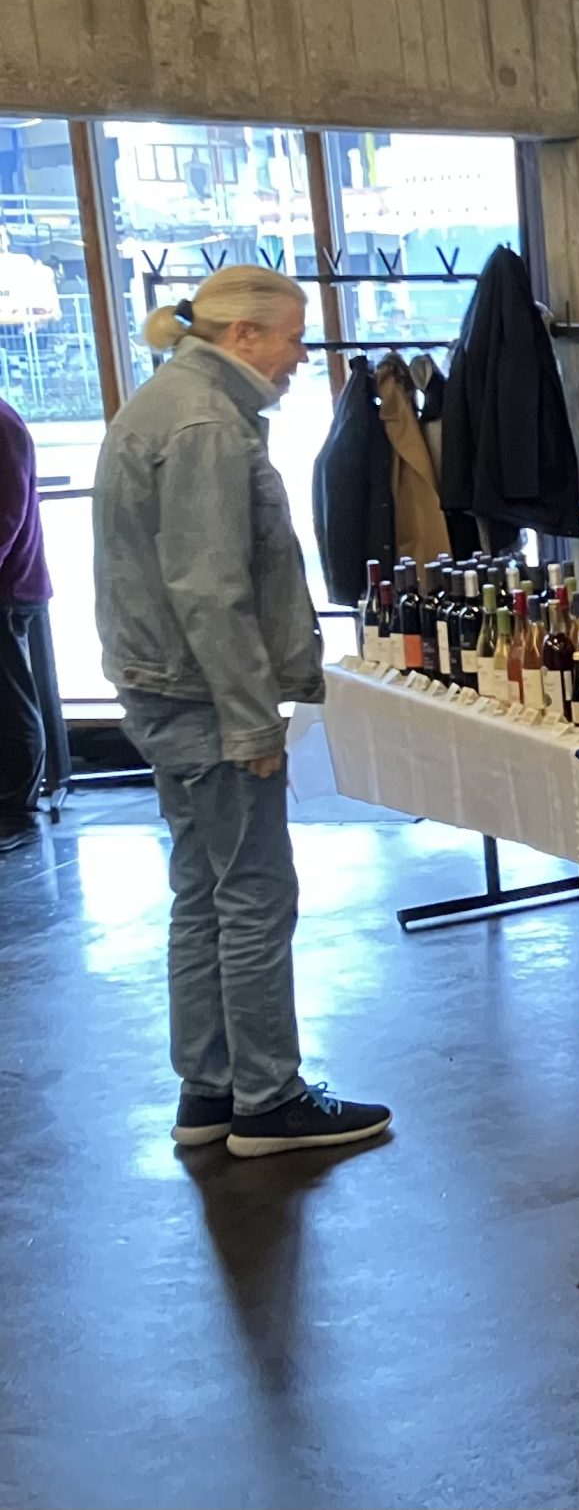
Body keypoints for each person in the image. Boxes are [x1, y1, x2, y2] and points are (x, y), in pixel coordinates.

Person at [94, 265, 391, 1158]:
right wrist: (253, 719)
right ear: (244, 336)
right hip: (203, 697)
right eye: (295, 338)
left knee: (205, 891)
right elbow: (211, 588)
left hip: (166, 689)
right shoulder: (204, 427)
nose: (303, 357)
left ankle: (211, 1090)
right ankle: (268, 1097)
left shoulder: (171, 405)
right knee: (256, 893)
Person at [0, 396, 51, 853]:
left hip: (8, 587)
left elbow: (6, 514)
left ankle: (14, 807)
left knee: (9, 698)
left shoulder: (0, 422)